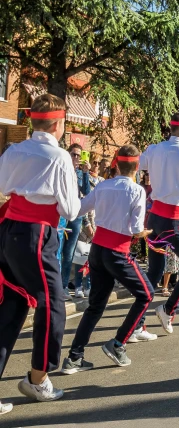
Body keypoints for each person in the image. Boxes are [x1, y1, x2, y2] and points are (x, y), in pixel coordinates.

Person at [0, 94, 81, 408]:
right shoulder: (58, 157)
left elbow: (5, 187)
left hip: (8, 233)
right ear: (59, 123)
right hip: (36, 236)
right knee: (53, 304)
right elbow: (71, 209)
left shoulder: (14, 150)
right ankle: (38, 379)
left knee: (11, 306)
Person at [61, 145, 155, 373]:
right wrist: (143, 233)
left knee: (95, 306)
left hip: (98, 251)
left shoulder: (103, 186)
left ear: (117, 164)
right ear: (136, 167)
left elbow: (79, 209)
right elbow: (134, 228)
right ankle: (118, 343)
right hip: (117, 251)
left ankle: (74, 357)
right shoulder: (137, 191)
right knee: (147, 294)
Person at [137, 111, 179, 335]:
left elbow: (137, 164)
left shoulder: (155, 149)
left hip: (154, 217)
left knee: (154, 270)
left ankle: (137, 324)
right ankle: (168, 309)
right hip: (172, 221)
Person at [61, 143, 92, 300]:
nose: (76, 158)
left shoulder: (80, 173)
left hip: (76, 216)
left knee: (69, 254)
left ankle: (64, 286)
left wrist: (86, 173)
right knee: (57, 251)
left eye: (79, 155)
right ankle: (56, 286)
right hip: (61, 215)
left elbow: (86, 192)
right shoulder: (63, 170)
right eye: (73, 154)